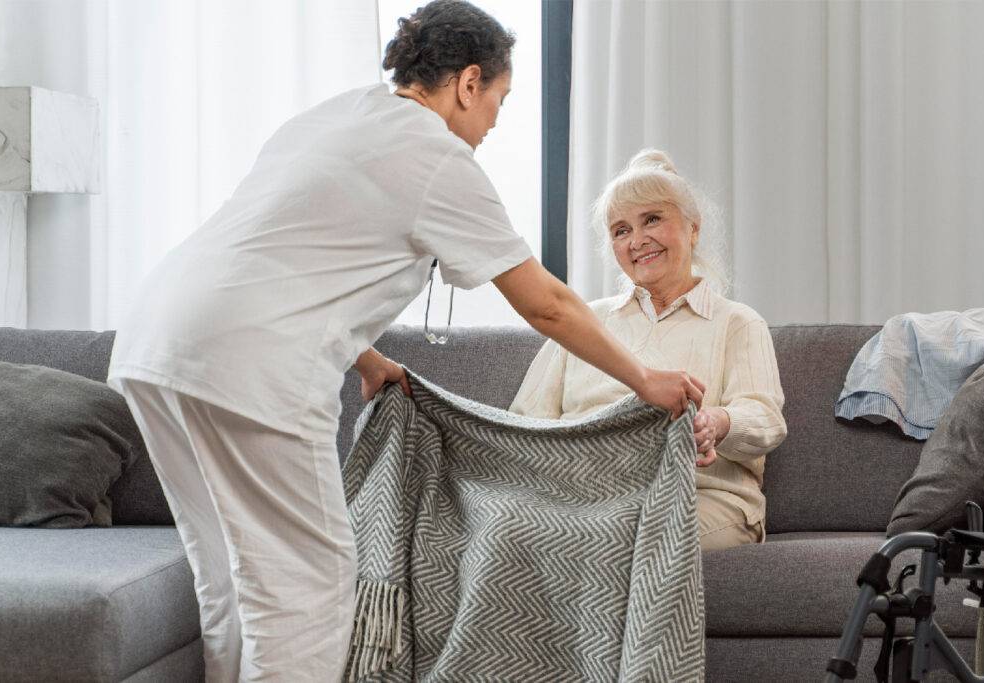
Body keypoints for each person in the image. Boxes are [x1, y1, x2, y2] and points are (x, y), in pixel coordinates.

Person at [106, 3, 707, 680]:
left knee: (227, 574)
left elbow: (288, 255)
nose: (494, 122)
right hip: (250, 365)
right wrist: (644, 380)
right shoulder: (435, 155)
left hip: (155, 342)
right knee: (307, 594)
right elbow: (546, 303)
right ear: (469, 83)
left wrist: (366, 358)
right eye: (500, 99)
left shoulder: (337, 115)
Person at [509, 149, 788, 552]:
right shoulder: (583, 321)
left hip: (699, 496)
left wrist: (716, 422)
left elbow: (766, 420)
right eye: (621, 230)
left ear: (693, 229)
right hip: (589, 498)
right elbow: (526, 422)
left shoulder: (737, 322)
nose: (637, 241)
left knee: (615, 536)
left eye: (652, 219)